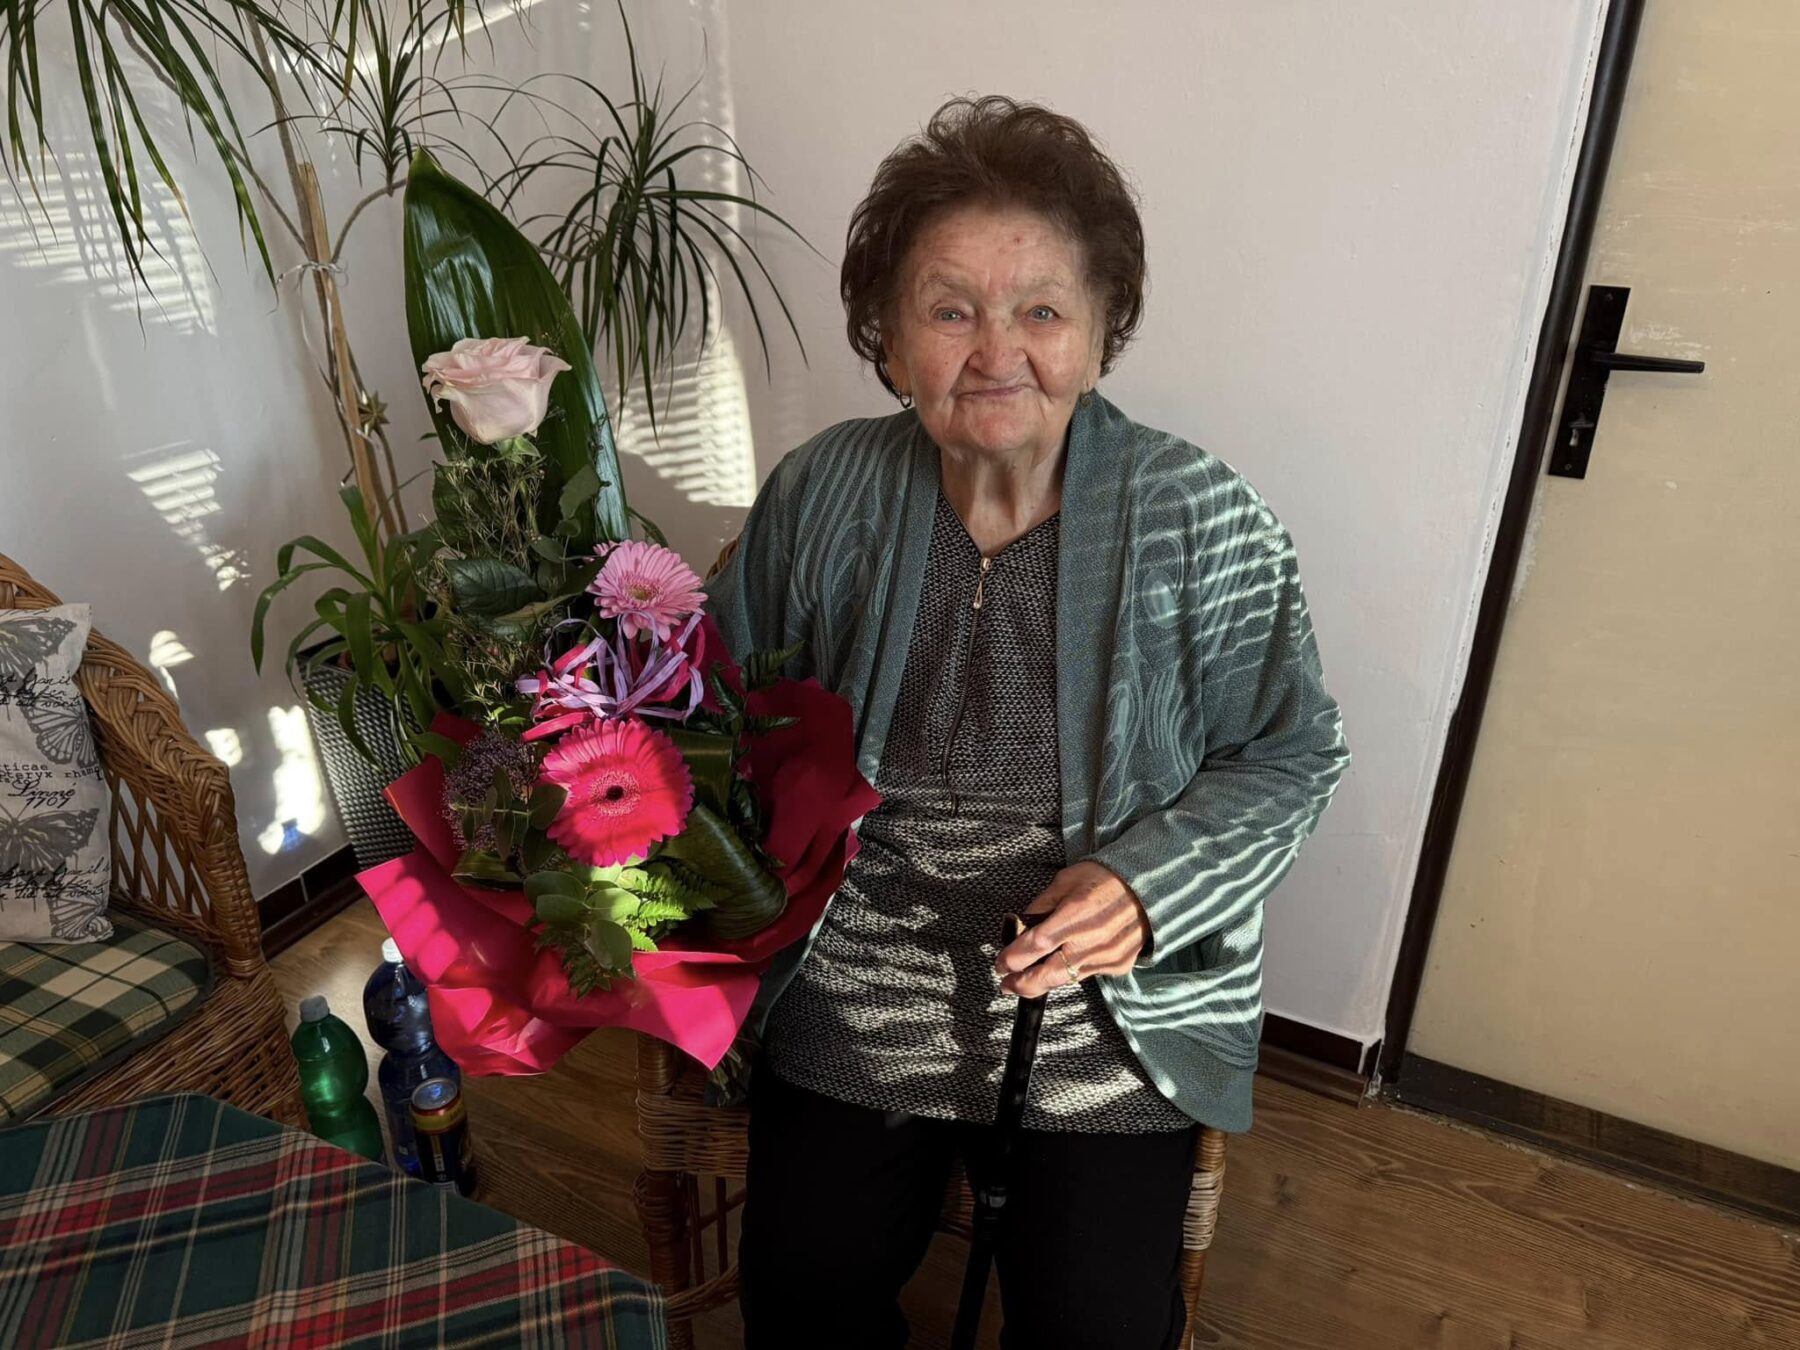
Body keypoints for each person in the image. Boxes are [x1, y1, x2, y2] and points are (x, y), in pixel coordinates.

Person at [706, 94, 1350, 1350]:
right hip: (865, 953)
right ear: (889, 336)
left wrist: (1148, 887)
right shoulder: (824, 490)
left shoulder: (1203, 516)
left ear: (1103, 333)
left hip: (1106, 988)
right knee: (799, 1292)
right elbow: (720, 709)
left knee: (1099, 1328)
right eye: (949, 311)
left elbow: (1291, 750)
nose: (996, 351)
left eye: (1042, 312)